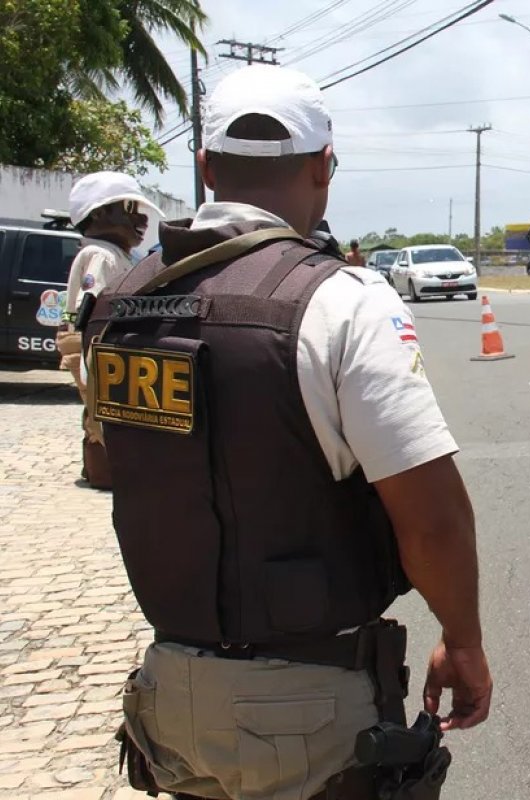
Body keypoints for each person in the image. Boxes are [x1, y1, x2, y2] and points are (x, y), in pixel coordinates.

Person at [82, 64, 491, 799]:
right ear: (324, 167)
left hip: (168, 694)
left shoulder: (115, 306)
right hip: (311, 711)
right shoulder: (341, 302)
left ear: (206, 170)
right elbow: (430, 520)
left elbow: (129, 469)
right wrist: (463, 640)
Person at [56, 171, 161, 490]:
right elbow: (96, 307)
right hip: (98, 345)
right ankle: (103, 470)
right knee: (101, 415)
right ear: (99, 214)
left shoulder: (116, 254)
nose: (140, 218)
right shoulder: (101, 255)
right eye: (128, 208)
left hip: (99, 345)